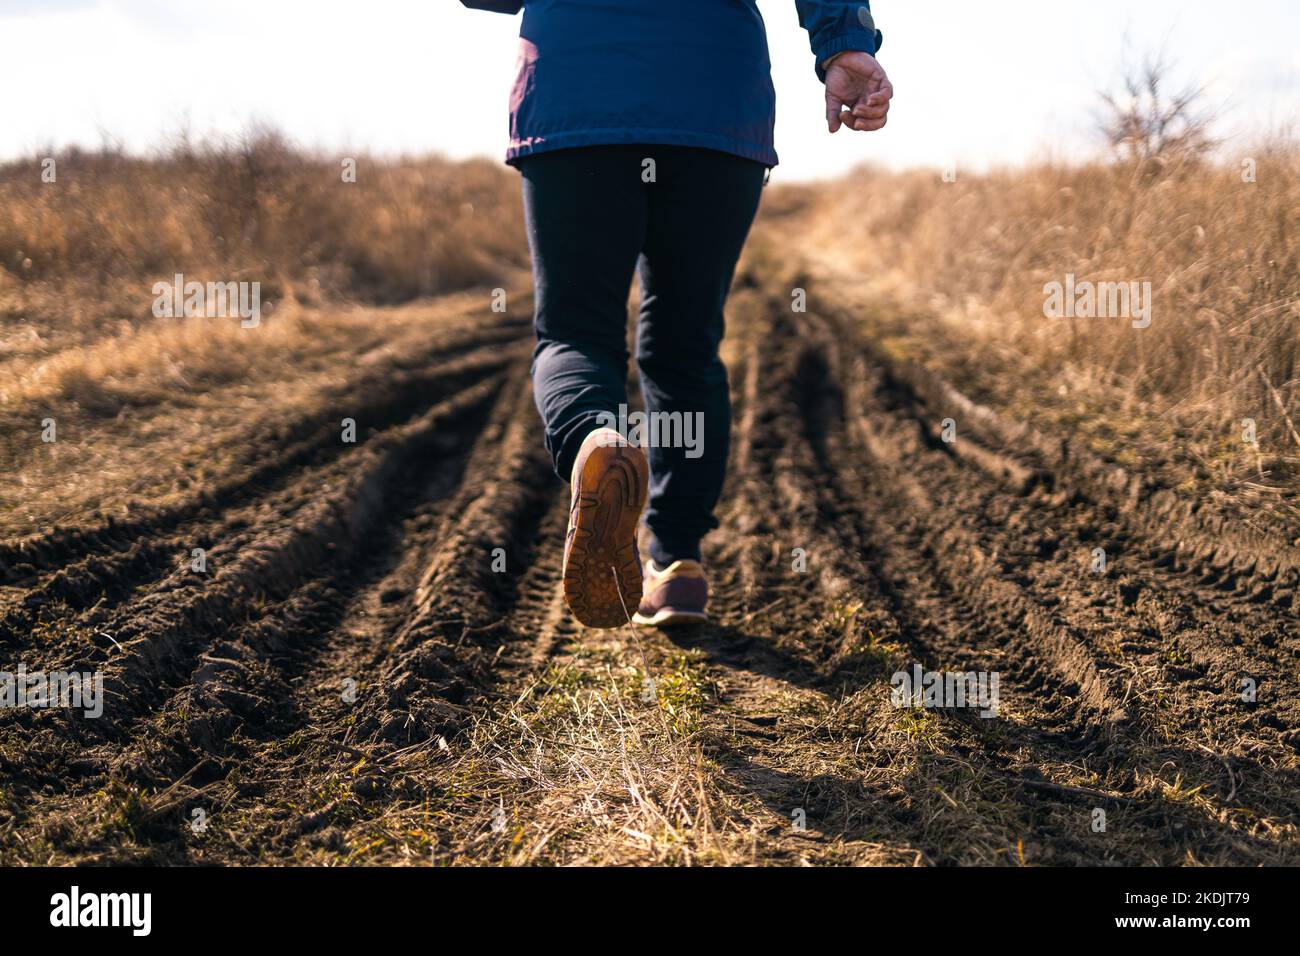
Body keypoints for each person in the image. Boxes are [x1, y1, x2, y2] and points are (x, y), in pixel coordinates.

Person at [460, 0, 892, 627]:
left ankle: (594, 440)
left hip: (579, 93)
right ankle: (678, 565)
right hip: (713, 102)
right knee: (685, 344)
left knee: (576, 332)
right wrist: (844, 44)